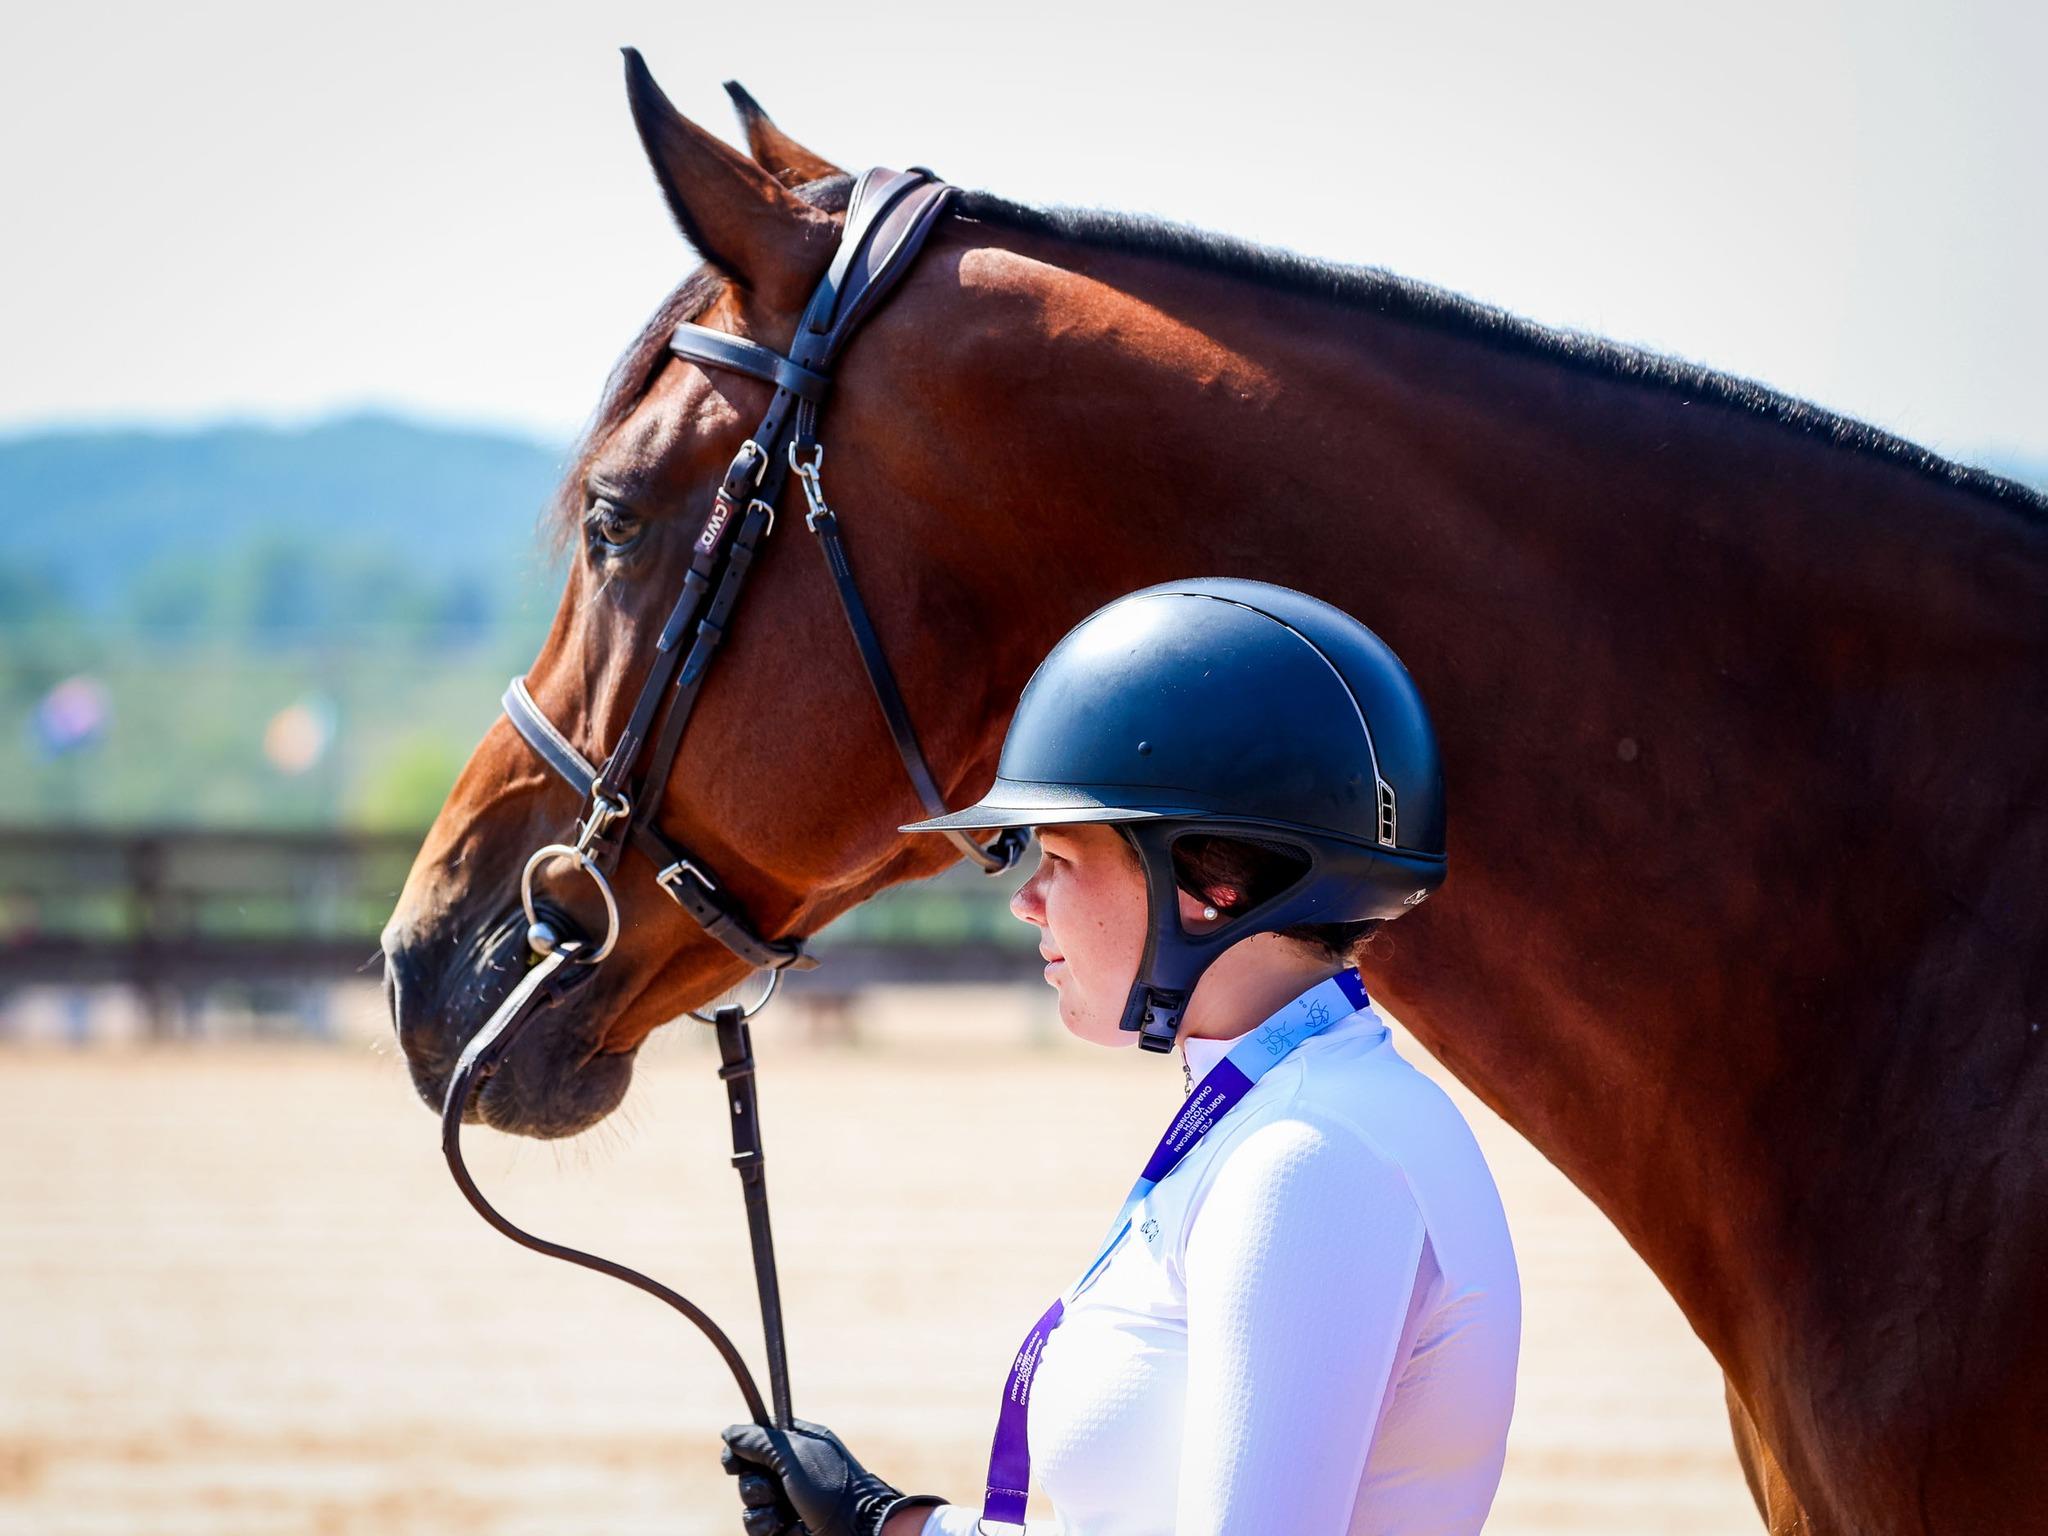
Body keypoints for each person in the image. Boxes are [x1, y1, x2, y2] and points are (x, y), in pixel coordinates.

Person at [721, 577, 1521, 1536]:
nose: (1026, 901)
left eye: (1056, 857)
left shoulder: (1311, 1160)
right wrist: (895, 1528)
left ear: (1205, 883)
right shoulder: (1299, 1111)